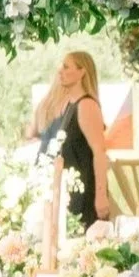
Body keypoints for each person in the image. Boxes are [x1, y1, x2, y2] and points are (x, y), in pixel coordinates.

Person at [35, 49, 112, 228]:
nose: (60, 71)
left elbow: (99, 152)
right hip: (66, 192)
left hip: (83, 193)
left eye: (66, 66)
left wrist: (101, 196)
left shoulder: (86, 105)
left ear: (82, 71)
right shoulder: (68, 106)